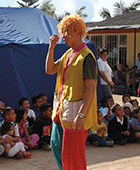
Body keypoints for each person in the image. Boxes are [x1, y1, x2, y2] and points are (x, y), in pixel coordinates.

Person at [45, 15, 97, 170]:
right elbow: (50, 69)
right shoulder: (68, 54)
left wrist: (82, 114)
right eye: (64, 31)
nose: (64, 35)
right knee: (55, 144)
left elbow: (91, 87)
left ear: (79, 32)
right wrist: (51, 49)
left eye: (69, 32)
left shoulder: (86, 56)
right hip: (61, 111)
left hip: (76, 113)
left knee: (74, 155)